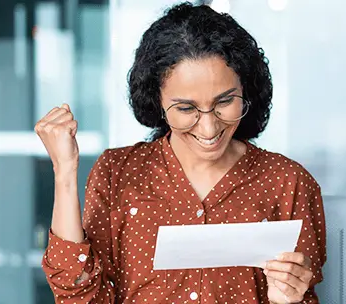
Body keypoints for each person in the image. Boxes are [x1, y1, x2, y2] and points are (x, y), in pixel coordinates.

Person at [36, 2, 326, 303]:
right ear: (157, 101)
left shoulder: (287, 182)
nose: (209, 127)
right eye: (186, 108)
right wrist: (65, 171)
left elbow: (306, 296)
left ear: (246, 90)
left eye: (225, 102)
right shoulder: (116, 172)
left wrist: (289, 299)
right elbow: (78, 294)